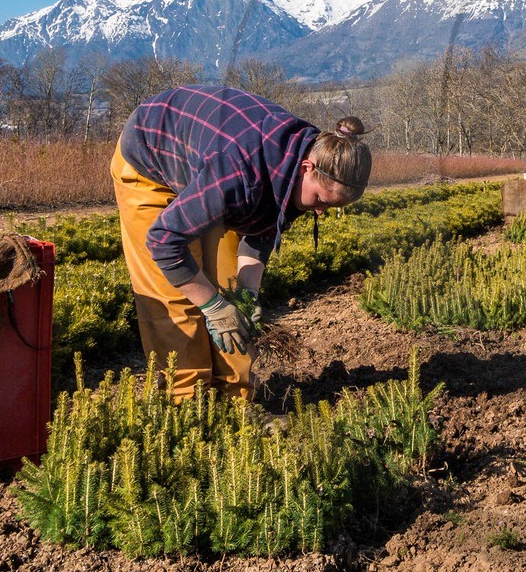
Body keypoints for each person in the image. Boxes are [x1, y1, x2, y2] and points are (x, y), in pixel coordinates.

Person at [110, 84, 371, 401]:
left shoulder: (311, 160)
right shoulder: (238, 173)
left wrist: (246, 293)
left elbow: (263, 227)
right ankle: (188, 404)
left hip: (211, 164)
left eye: (330, 207)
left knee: (233, 290)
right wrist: (213, 306)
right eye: (321, 200)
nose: (320, 210)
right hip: (151, 156)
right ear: (307, 168)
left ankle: (237, 399)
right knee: (176, 298)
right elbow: (165, 243)